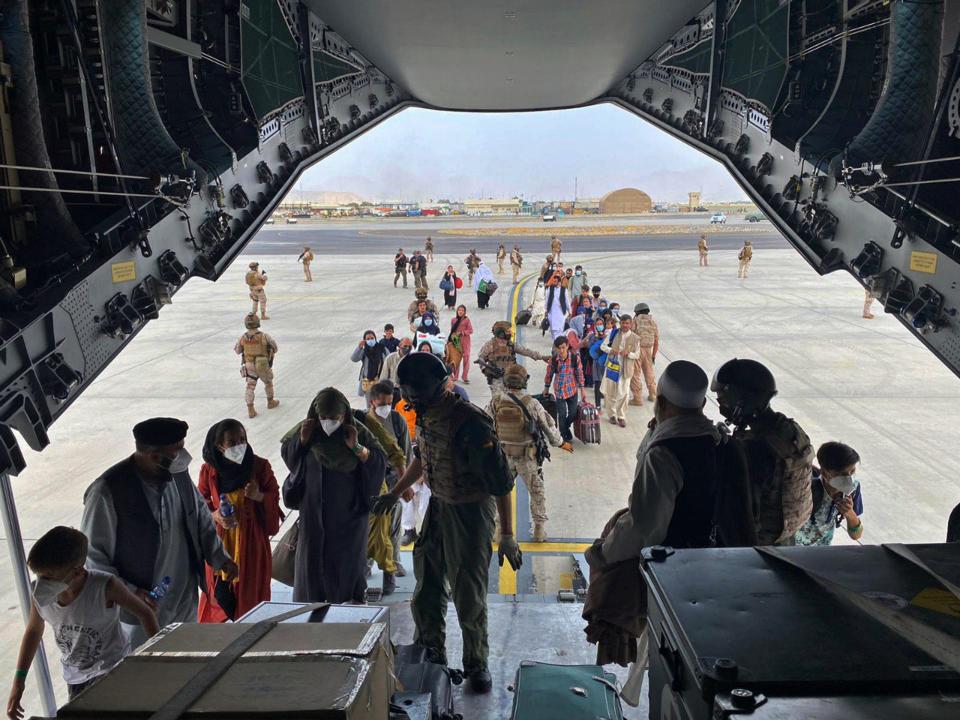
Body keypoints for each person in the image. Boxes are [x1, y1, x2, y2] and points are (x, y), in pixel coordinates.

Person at [583, 361, 755, 668]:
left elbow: (644, 527)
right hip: (724, 569)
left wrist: (603, 554)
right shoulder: (725, 444)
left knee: (674, 662)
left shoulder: (665, 452)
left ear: (660, 402)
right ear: (702, 404)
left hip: (677, 576)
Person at [372, 353, 521, 693]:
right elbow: (422, 460)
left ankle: (477, 663)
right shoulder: (425, 414)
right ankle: (431, 650)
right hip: (439, 505)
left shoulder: (469, 422)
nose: (414, 402)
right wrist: (396, 493)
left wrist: (508, 535)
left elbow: (501, 482)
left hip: (470, 513)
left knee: (468, 592)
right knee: (427, 585)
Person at [80, 417, 237, 648]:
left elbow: (200, 517)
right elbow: (93, 559)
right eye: (178, 450)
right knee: (148, 671)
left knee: (186, 661)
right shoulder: (108, 491)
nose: (183, 456)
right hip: (140, 611)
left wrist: (220, 557)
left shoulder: (177, 474)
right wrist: (130, 594)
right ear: (154, 456)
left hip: (184, 599)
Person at [8, 527, 159, 713]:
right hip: (75, 677)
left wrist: (159, 657)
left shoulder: (104, 586)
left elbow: (145, 612)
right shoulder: (40, 595)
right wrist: (19, 681)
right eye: (39, 576)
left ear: (78, 572)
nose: (42, 583)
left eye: (49, 577)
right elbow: (33, 630)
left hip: (112, 669)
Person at [280, 388, 387, 603]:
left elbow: (379, 463)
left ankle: (345, 615)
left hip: (348, 519)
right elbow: (290, 458)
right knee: (312, 572)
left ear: (344, 415)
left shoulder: (359, 433)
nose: (328, 423)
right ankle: (311, 621)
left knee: (345, 572)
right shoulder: (307, 430)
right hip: (313, 516)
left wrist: (356, 447)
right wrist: (302, 440)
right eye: (323, 418)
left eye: (335, 418)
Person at [711, 358, 814, 545]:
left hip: (757, 545)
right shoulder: (791, 430)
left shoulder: (756, 449)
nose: (722, 406)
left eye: (724, 400)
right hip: (786, 538)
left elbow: (737, 505)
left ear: (741, 401)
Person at [197, 419, 281, 622]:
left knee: (250, 597)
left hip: (252, 544)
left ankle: (247, 632)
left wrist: (259, 496)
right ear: (219, 447)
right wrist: (215, 515)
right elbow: (199, 505)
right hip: (221, 543)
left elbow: (274, 498)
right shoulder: (209, 471)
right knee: (220, 593)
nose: (239, 445)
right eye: (232, 442)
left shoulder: (259, 467)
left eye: (242, 439)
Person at [488, 364, 565, 541]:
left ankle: (499, 530)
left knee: (500, 492)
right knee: (536, 491)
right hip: (527, 457)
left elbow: (485, 424)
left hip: (504, 457)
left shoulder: (496, 401)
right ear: (524, 382)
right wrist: (559, 442)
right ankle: (539, 531)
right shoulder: (532, 403)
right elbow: (549, 428)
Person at [368, 382, 415, 584]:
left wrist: (405, 485)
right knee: (369, 526)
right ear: (372, 401)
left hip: (394, 481)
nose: (386, 406)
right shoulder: (362, 422)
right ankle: (366, 564)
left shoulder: (397, 420)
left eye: (389, 402)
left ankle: (393, 562)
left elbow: (406, 453)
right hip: (371, 483)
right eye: (382, 403)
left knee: (393, 525)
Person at [794, 442, 864, 546]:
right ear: (825, 474)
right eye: (843, 474)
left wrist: (850, 513)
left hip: (822, 551)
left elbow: (856, 536)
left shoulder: (853, 490)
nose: (849, 479)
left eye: (852, 471)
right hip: (793, 549)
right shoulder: (806, 490)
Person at [478, 320, 548, 392]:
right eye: (508, 331)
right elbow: (481, 358)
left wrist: (542, 357)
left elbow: (525, 351)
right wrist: (485, 369)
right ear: (501, 333)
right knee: (498, 400)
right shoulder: (490, 345)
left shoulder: (510, 344)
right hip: (497, 380)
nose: (511, 333)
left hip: (510, 378)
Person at [544, 335, 586, 447]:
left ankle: (565, 428)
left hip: (572, 389)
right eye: (559, 348)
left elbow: (579, 373)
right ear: (556, 349)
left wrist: (582, 389)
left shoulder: (574, 358)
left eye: (563, 347)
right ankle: (563, 436)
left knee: (573, 413)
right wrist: (546, 388)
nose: (561, 350)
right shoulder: (553, 360)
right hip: (559, 391)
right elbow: (549, 374)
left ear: (567, 346)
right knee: (561, 415)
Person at [235, 313, 279, 419]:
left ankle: (251, 409)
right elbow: (275, 348)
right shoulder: (264, 336)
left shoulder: (243, 337)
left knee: (250, 386)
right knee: (268, 383)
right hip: (263, 364)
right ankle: (270, 402)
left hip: (249, 364)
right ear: (257, 323)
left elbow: (238, 350)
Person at [600, 315, 641, 427]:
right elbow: (602, 347)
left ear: (631, 324)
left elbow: (637, 355)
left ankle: (621, 416)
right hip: (612, 368)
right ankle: (611, 415)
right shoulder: (613, 334)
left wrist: (628, 354)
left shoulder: (636, 338)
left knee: (624, 393)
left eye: (627, 323)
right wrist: (611, 350)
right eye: (623, 323)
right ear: (620, 323)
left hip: (625, 370)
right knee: (609, 392)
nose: (625, 325)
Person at [629, 303, 659, 406]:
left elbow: (630, 337)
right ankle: (653, 395)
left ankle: (637, 399)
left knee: (635, 374)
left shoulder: (635, 321)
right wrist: (653, 355)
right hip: (649, 350)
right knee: (649, 373)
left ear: (637, 312)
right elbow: (656, 341)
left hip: (637, 350)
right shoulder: (653, 322)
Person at [351, 330, 389, 399]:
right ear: (364, 340)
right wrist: (359, 348)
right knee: (369, 405)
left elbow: (389, 359)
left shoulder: (382, 348)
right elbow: (354, 359)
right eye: (368, 339)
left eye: (372, 338)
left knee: (380, 402)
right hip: (368, 382)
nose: (370, 340)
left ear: (375, 338)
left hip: (380, 381)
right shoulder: (364, 351)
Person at [586, 319, 609, 409]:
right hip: (596, 363)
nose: (600, 326)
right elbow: (590, 349)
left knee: (606, 383)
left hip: (606, 363)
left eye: (601, 324)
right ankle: (598, 405)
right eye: (598, 324)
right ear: (595, 325)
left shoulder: (608, 336)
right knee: (597, 383)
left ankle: (607, 403)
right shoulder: (592, 336)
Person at [449, 304, 474, 384]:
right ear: (457, 311)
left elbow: (470, 330)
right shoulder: (453, 320)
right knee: (456, 359)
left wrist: (462, 333)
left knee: (466, 358)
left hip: (465, 341)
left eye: (462, 310)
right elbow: (452, 331)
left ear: (465, 312)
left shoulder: (467, 320)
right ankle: (455, 376)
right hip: (456, 342)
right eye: (459, 310)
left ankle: (465, 376)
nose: (460, 312)